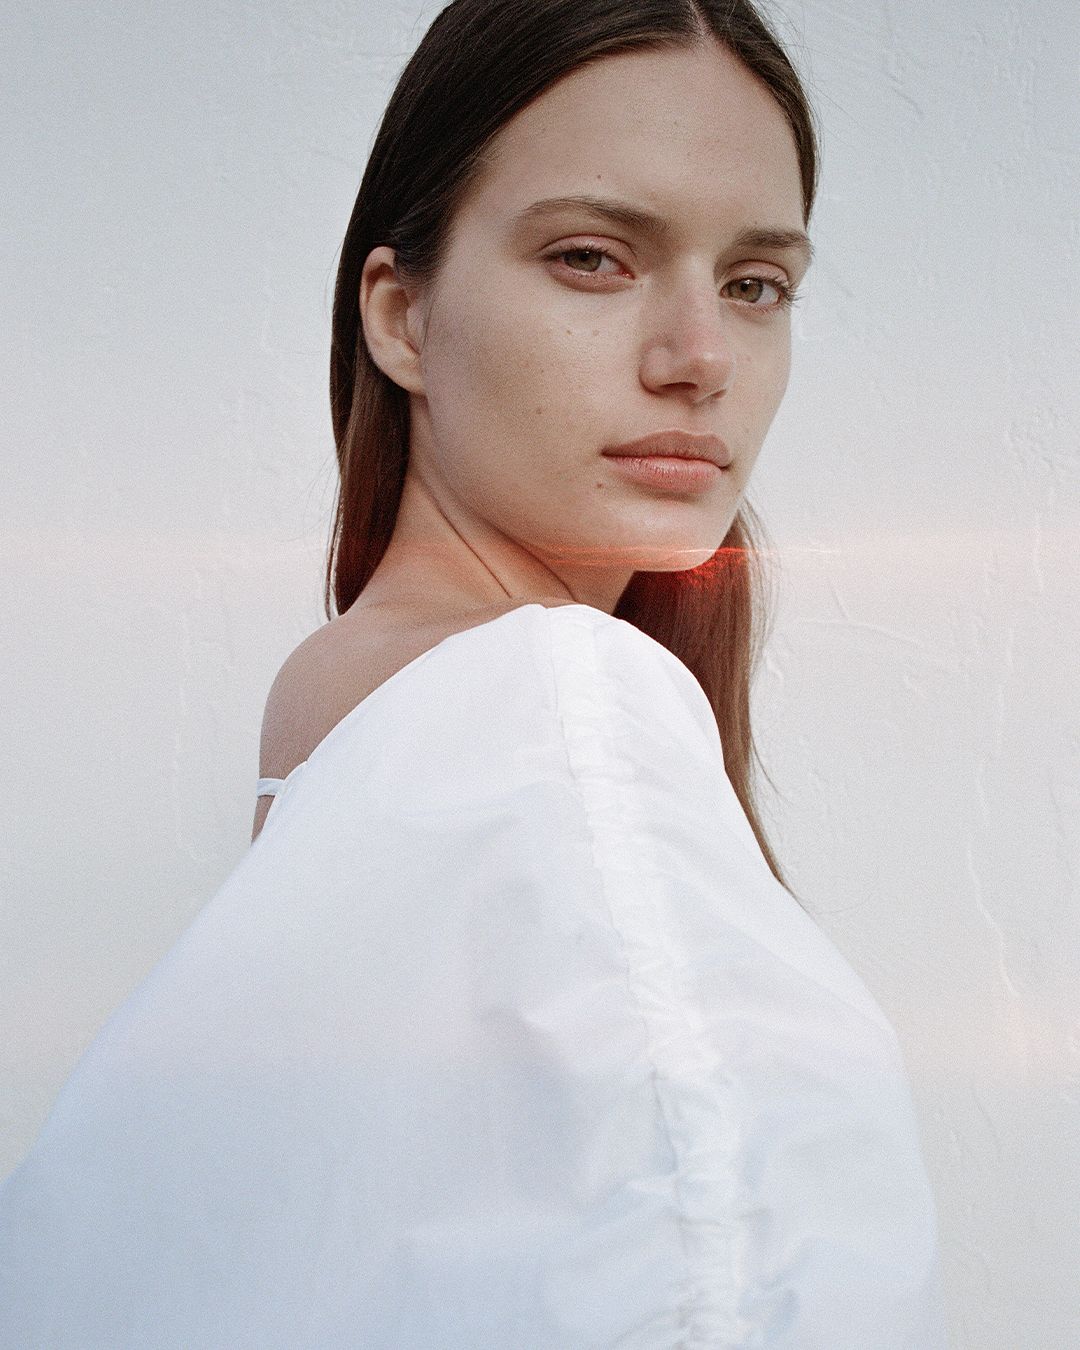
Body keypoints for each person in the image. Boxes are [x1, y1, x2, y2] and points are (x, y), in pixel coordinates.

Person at [0, 2, 949, 1345]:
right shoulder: (555, 699)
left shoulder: (338, 697)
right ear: (399, 313)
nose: (700, 360)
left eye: (756, 283)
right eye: (592, 257)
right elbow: (719, 1283)